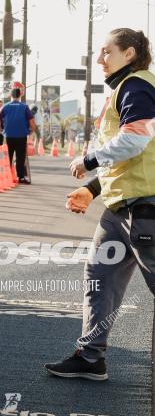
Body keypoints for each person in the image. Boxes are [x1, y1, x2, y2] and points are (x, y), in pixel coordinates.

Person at [45, 28, 155, 380]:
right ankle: (91, 357)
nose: (99, 59)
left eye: (107, 51)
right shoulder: (128, 88)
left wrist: (89, 159)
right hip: (119, 208)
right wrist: (92, 189)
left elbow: (135, 140)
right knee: (99, 276)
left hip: (145, 208)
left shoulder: (137, 86)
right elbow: (130, 156)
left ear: (130, 54)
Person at [0, 87, 36, 183]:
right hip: (21, 136)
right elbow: (32, 121)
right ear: (20, 95)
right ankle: (20, 177)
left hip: (8, 136)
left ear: (11, 95)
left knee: (7, 157)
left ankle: (6, 177)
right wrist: (32, 131)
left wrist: (0, 130)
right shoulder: (24, 107)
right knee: (20, 157)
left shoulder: (5, 106)